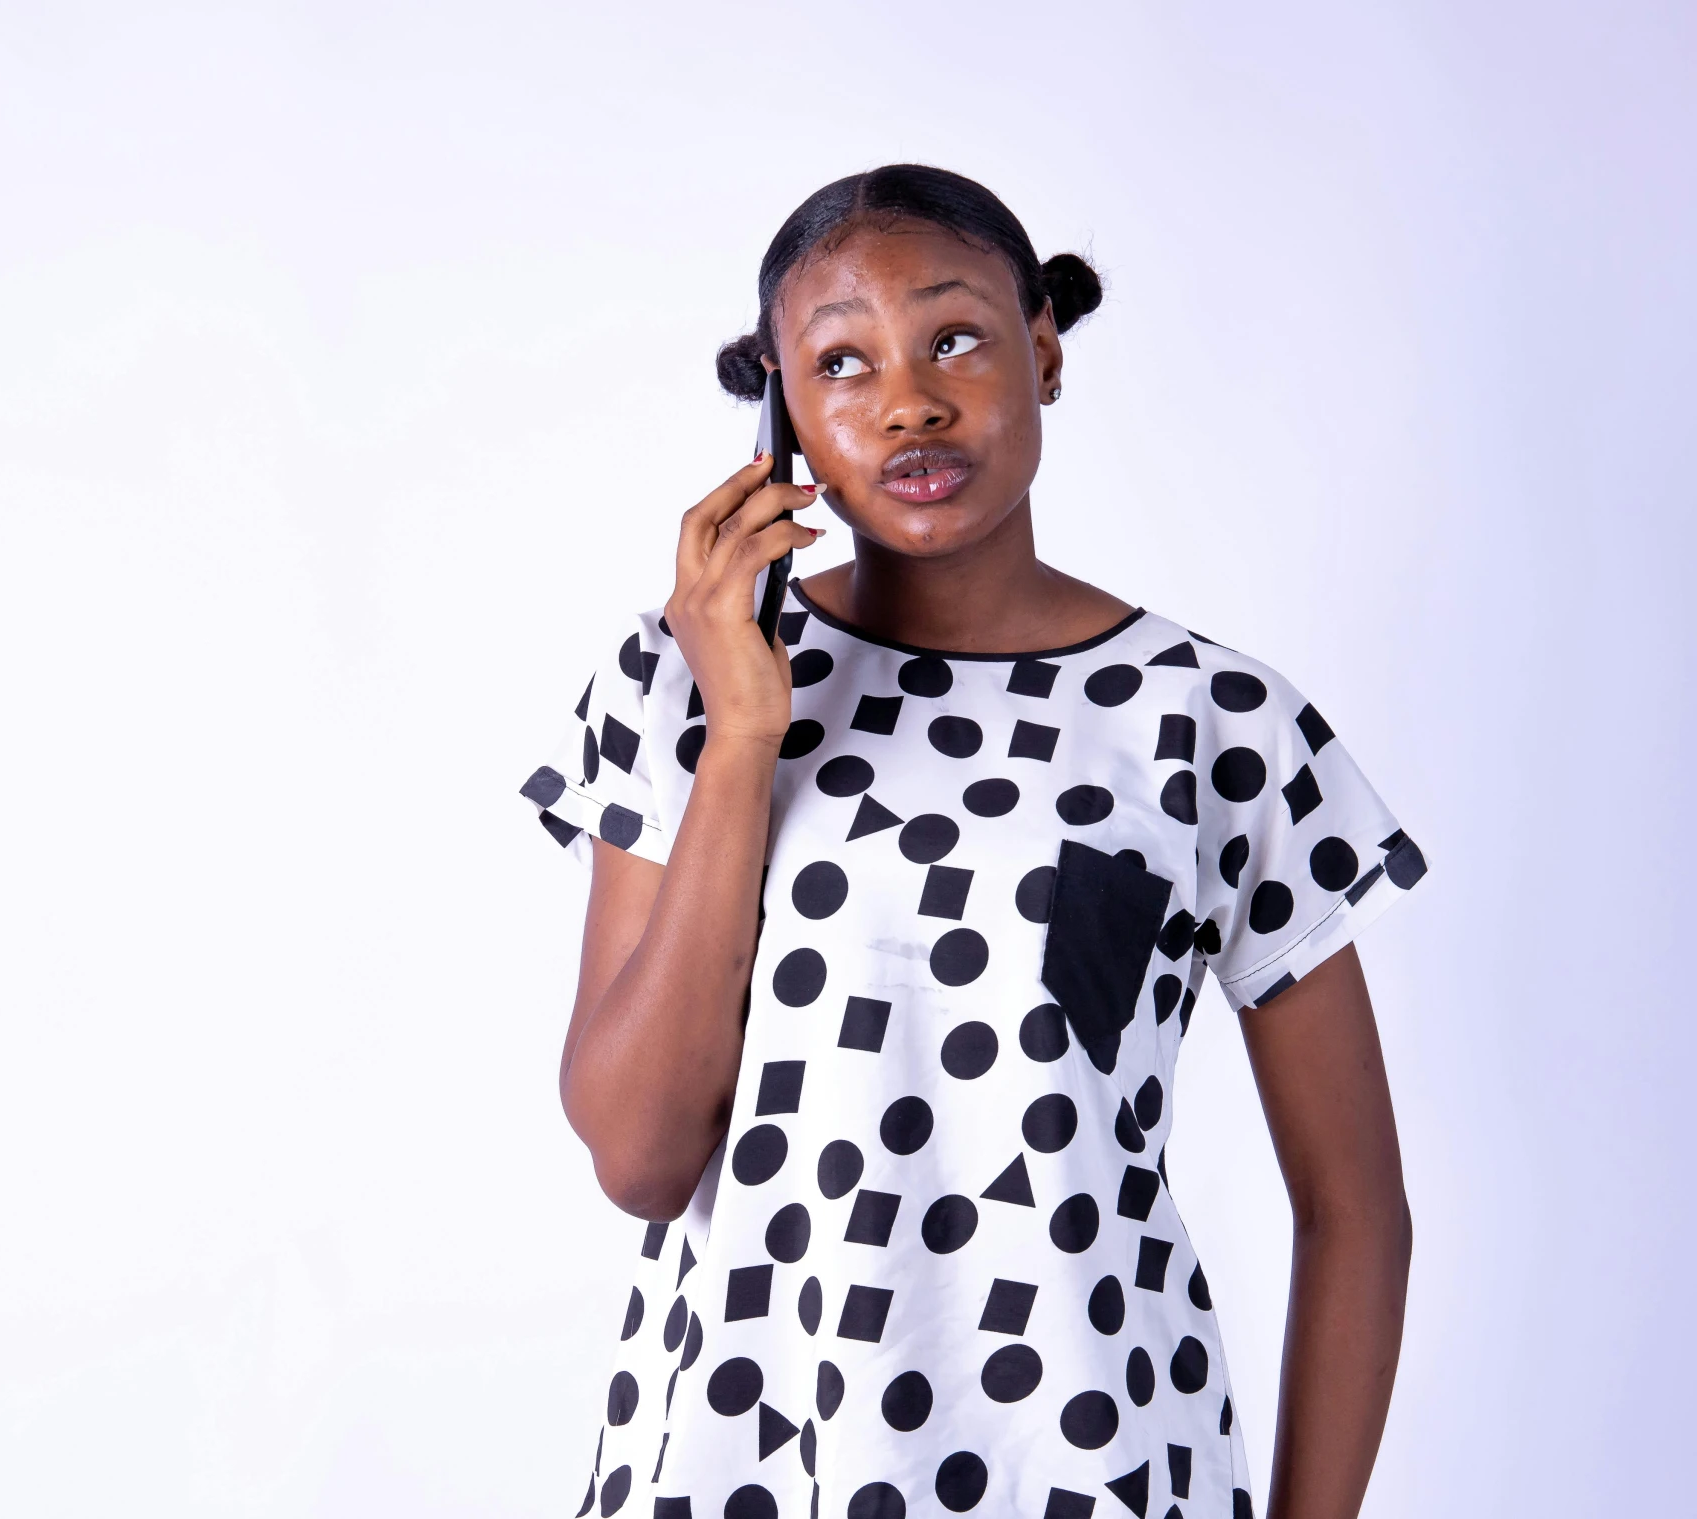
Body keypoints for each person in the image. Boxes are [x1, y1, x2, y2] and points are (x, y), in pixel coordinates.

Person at [517, 165, 1426, 1519]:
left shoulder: (1215, 724)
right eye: (839, 361)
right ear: (778, 409)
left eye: (952, 337)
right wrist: (745, 736)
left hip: (1095, 1463)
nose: (906, 401)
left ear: (1042, 350)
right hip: (751, 1467)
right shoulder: (679, 685)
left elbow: (1355, 1210)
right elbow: (641, 1157)